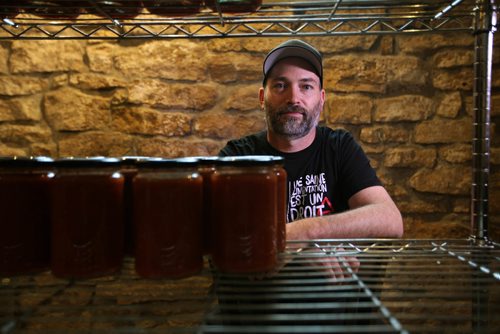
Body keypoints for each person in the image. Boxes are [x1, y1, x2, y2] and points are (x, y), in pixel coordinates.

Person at [219, 39, 403, 278]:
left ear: (322, 98)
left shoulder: (338, 147)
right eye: (281, 85)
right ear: (263, 97)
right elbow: (220, 237)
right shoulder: (237, 156)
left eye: (306, 87)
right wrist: (303, 253)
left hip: (328, 298)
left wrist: (304, 234)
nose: (294, 98)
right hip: (255, 300)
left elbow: (391, 220)